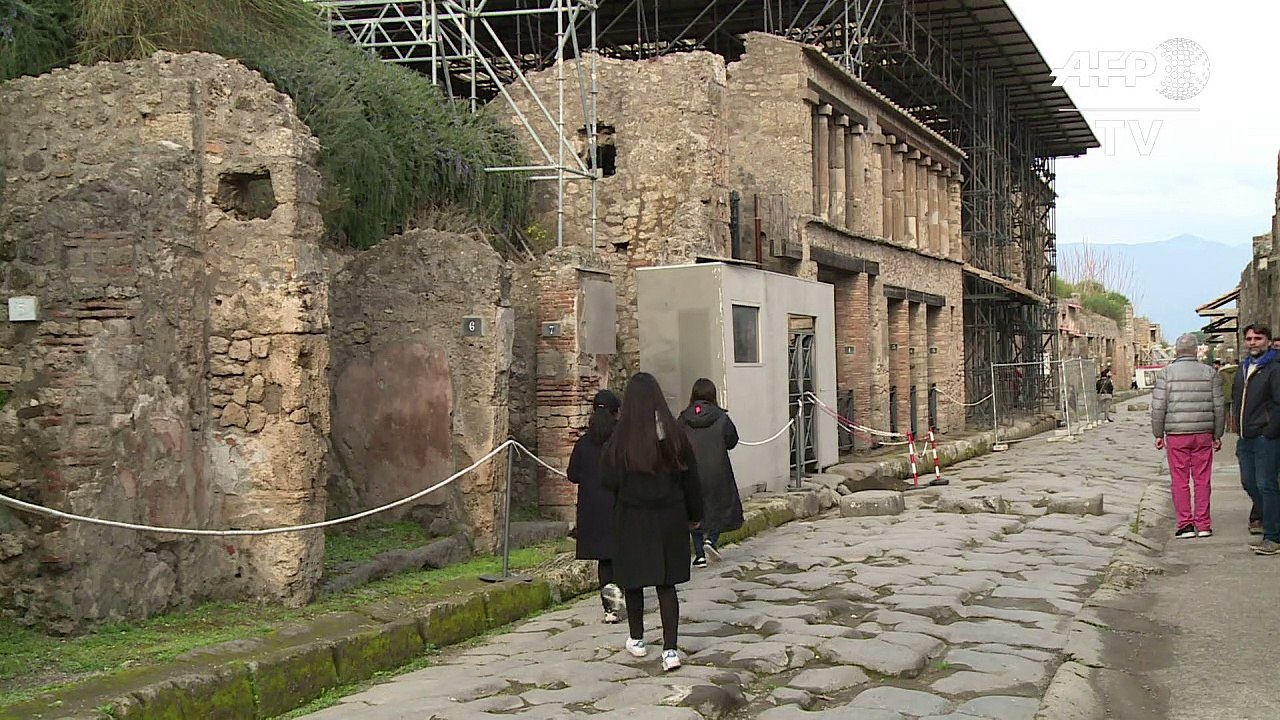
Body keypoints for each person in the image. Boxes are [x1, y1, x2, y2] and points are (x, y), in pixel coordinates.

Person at [601, 372, 703, 672]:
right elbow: (691, 479)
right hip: (669, 517)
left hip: (632, 517)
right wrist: (695, 516)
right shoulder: (674, 434)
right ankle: (670, 649)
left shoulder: (620, 438)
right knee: (666, 584)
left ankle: (638, 639)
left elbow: (607, 479)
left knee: (633, 582)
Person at [1151, 334, 1224, 539]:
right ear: (1195, 351)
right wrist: (1217, 434)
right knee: (1202, 479)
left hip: (1176, 434)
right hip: (1203, 434)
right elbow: (1219, 406)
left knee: (1179, 480)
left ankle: (1185, 524)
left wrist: (1158, 433)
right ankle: (1203, 525)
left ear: (1176, 351)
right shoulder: (1210, 373)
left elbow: (1158, 406)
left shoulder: (1166, 373)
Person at [566, 389, 624, 623]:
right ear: (615, 413)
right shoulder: (620, 441)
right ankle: (621, 596)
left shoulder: (583, 444)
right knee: (620, 554)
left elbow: (572, 474)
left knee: (604, 560)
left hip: (592, 508)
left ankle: (609, 608)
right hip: (617, 503)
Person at [678, 378, 745, 567]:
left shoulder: (683, 419)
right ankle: (711, 540)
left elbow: (676, 443)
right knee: (720, 506)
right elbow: (732, 439)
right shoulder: (721, 417)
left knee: (694, 512)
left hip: (691, 472)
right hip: (717, 470)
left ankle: (699, 554)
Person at [1232, 323, 1280, 554]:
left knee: (1266, 484)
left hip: (1264, 437)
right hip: (1246, 437)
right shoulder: (1244, 368)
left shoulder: (1274, 368)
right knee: (1249, 482)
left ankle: (1274, 536)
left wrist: (1269, 431)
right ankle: (1269, 522)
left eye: (1258, 338)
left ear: (1268, 341)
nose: (1253, 342)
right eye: (1249, 339)